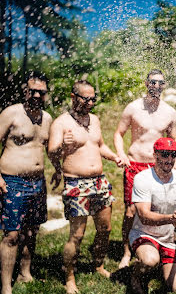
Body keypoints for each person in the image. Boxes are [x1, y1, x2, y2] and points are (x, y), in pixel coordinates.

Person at [48, 80, 123, 294]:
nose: (90, 103)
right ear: (73, 97)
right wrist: (64, 144)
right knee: (77, 235)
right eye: (85, 98)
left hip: (99, 182)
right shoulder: (61, 123)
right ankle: (69, 278)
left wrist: (114, 157)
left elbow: (99, 145)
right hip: (76, 184)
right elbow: (51, 152)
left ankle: (97, 265)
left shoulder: (95, 120)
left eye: (93, 99)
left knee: (105, 229)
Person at [114, 69, 176, 269]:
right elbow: (119, 133)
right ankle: (126, 252)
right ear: (146, 83)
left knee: (159, 209)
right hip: (135, 164)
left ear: (164, 85)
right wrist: (121, 154)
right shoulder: (133, 108)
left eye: (160, 83)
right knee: (130, 211)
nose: (156, 86)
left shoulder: (169, 112)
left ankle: (157, 246)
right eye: (153, 82)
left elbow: (173, 141)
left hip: (158, 166)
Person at [0, 72, 57, 294]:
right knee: (12, 234)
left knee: (32, 231)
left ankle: (25, 273)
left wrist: (58, 168)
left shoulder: (48, 118)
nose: (35, 95)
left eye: (40, 92)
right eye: (31, 90)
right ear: (25, 91)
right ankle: (6, 286)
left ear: (45, 95)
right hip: (12, 181)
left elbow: (50, 149)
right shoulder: (11, 113)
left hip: (37, 183)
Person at [129, 137, 176, 293]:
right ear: (155, 155)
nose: (169, 159)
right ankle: (135, 276)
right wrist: (170, 219)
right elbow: (144, 215)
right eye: (165, 154)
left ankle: (160, 261)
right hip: (144, 234)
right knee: (149, 260)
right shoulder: (142, 179)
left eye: (173, 155)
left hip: (170, 239)